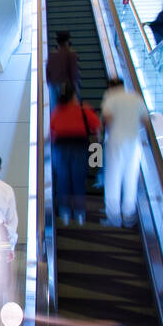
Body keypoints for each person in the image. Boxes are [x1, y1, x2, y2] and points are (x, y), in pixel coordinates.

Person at [100, 79, 148, 229]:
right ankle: (128, 215)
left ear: (111, 87)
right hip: (134, 142)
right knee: (131, 177)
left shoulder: (110, 97)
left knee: (113, 178)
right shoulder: (136, 98)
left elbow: (107, 120)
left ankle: (113, 217)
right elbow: (145, 120)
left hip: (116, 141)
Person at [49, 89, 101, 225]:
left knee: (62, 180)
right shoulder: (83, 110)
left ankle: (64, 212)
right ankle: (79, 213)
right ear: (73, 98)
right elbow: (96, 126)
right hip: (79, 147)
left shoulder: (57, 111)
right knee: (78, 180)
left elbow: (51, 130)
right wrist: (97, 149)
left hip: (60, 148)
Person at [46, 30, 82, 98]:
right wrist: (76, 88)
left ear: (58, 43)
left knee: (56, 107)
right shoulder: (72, 55)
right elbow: (74, 73)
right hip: (67, 87)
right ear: (67, 42)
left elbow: (47, 74)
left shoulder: (51, 56)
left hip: (53, 85)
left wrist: (50, 84)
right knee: (69, 107)